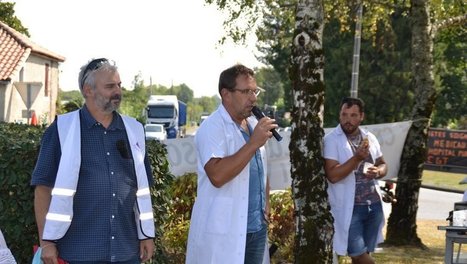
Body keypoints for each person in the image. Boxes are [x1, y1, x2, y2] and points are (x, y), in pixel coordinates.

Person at [31, 58, 155, 264]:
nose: (118, 91)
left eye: (119, 85)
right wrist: (46, 242)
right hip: (77, 254)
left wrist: (146, 235)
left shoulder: (134, 131)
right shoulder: (62, 129)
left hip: (126, 253)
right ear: (88, 90)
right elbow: (42, 189)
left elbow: (142, 189)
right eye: (110, 86)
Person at [185, 64, 276, 264]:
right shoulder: (212, 127)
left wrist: (266, 207)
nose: (253, 98)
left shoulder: (253, 124)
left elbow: (262, 168)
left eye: (255, 91)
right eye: (245, 92)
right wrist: (253, 143)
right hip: (225, 230)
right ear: (226, 94)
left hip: (256, 228)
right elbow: (217, 176)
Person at [323, 97, 387, 264]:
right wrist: (357, 158)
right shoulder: (331, 140)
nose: (347, 120)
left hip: (373, 205)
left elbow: (383, 164)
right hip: (350, 208)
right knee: (358, 254)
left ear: (361, 117)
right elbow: (333, 175)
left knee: (363, 254)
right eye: (344, 114)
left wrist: (378, 171)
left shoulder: (369, 137)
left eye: (353, 115)